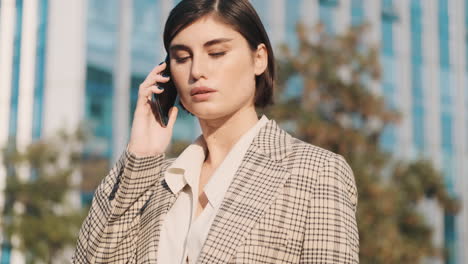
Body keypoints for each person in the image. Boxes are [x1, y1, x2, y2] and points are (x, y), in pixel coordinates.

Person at [72, 0, 359, 263]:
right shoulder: (153, 182)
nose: (197, 70)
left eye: (217, 52)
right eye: (182, 58)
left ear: (259, 58)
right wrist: (141, 157)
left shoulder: (317, 172)